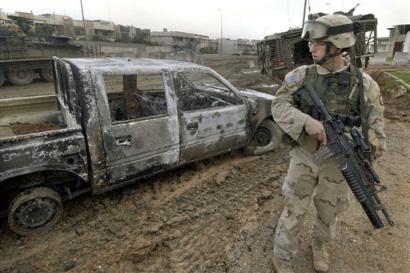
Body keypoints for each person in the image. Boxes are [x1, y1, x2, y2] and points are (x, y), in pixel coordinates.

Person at [271, 14, 386, 273]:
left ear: (336, 45)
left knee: (329, 211)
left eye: (317, 43)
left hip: (339, 163)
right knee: (293, 209)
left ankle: (320, 246)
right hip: (304, 155)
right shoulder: (300, 76)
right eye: (311, 42)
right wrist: (305, 122)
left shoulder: (365, 85)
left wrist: (363, 152)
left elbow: (378, 131)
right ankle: (283, 256)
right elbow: (278, 104)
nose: (310, 48)